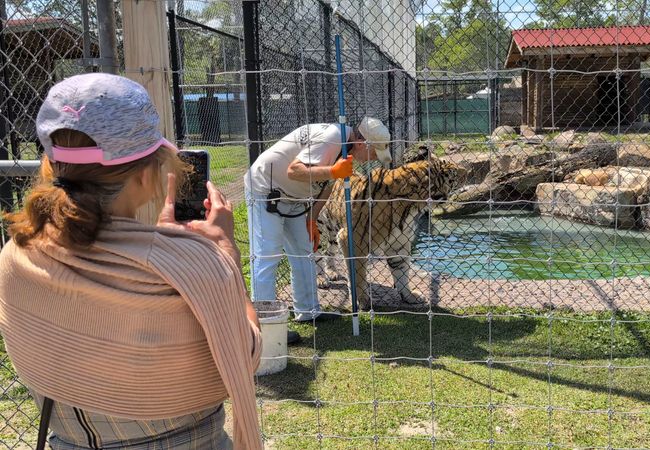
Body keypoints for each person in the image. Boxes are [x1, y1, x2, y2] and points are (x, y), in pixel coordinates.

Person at [0, 73, 262, 449]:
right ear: (144, 176)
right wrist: (224, 253)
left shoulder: (16, 255)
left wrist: (160, 244)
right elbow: (245, 353)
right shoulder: (201, 266)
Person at [245, 118, 391, 340]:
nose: (373, 160)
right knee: (268, 255)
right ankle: (264, 325)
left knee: (304, 252)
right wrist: (333, 171)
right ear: (363, 143)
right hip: (267, 189)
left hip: (293, 197)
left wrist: (311, 219)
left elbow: (327, 187)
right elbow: (295, 170)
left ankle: (308, 311)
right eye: (374, 153)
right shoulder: (332, 138)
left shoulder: (345, 148)